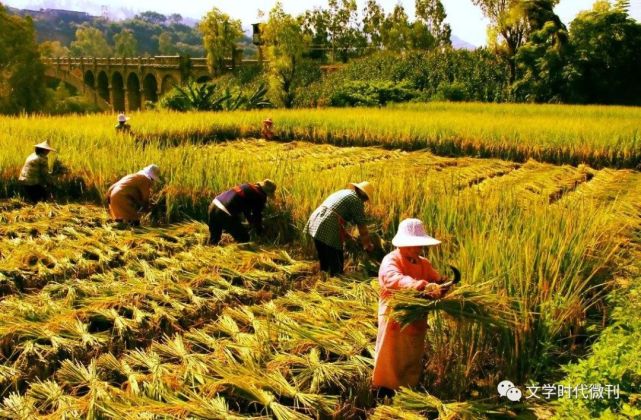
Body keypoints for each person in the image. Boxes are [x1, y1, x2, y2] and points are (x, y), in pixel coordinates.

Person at [372, 218, 449, 398]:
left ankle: (407, 389)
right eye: (413, 244)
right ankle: (384, 390)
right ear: (403, 243)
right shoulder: (391, 260)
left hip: (417, 316)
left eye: (419, 244)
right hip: (395, 314)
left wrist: (442, 285)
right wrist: (422, 286)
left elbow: (435, 279)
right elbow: (393, 279)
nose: (418, 248)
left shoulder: (423, 263)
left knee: (412, 352)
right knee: (391, 353)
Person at [305, 182, 374, 275]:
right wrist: (367, 244)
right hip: (329, 224)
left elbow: (336, 213)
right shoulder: (357, 200)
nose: (365, 201)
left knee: (324, 261)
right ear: (364, 195)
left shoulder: (345, 192)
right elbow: (362, 226)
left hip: (316, 220)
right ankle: (336, 282)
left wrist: (347, 236)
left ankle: (322, 282)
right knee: (336, 263)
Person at [208, 179, 277, 245]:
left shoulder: (248, 186)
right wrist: (260, 231)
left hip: (214, 205)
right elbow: (257, 216)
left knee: (214, 239)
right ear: (267, 192)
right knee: (243, 238)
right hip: (224, 212)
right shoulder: (260, 196)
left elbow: (246, 210)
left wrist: (250, 222)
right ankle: (236, 256)